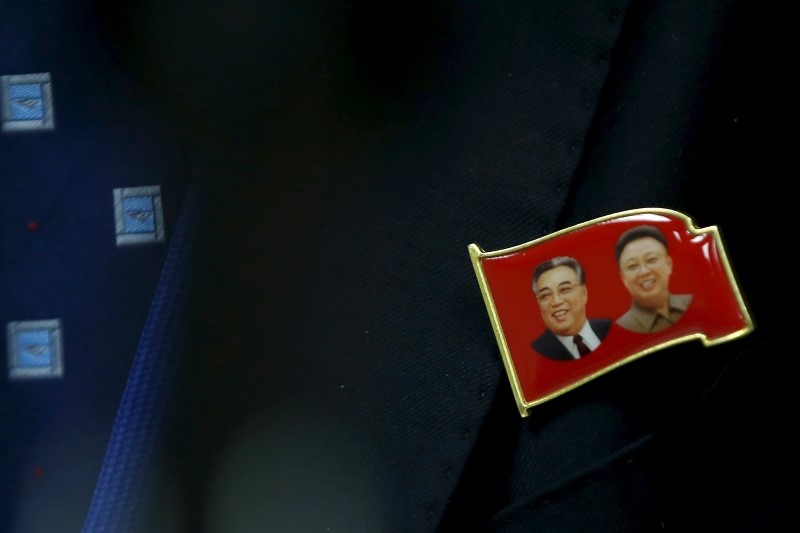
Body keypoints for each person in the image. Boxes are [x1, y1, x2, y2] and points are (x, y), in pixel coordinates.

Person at [615, 225, 693, 333]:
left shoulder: (692, 303)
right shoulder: (621, 328)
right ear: (623, 278)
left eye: (651, 260)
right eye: (632, 266)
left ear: (669, 264)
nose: (644, 271)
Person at [531, 256, 612, 360]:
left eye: (565, 289)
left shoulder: (611, 328)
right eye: (545, 295)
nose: (556, 302)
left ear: (584, 293)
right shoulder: (536, 353)